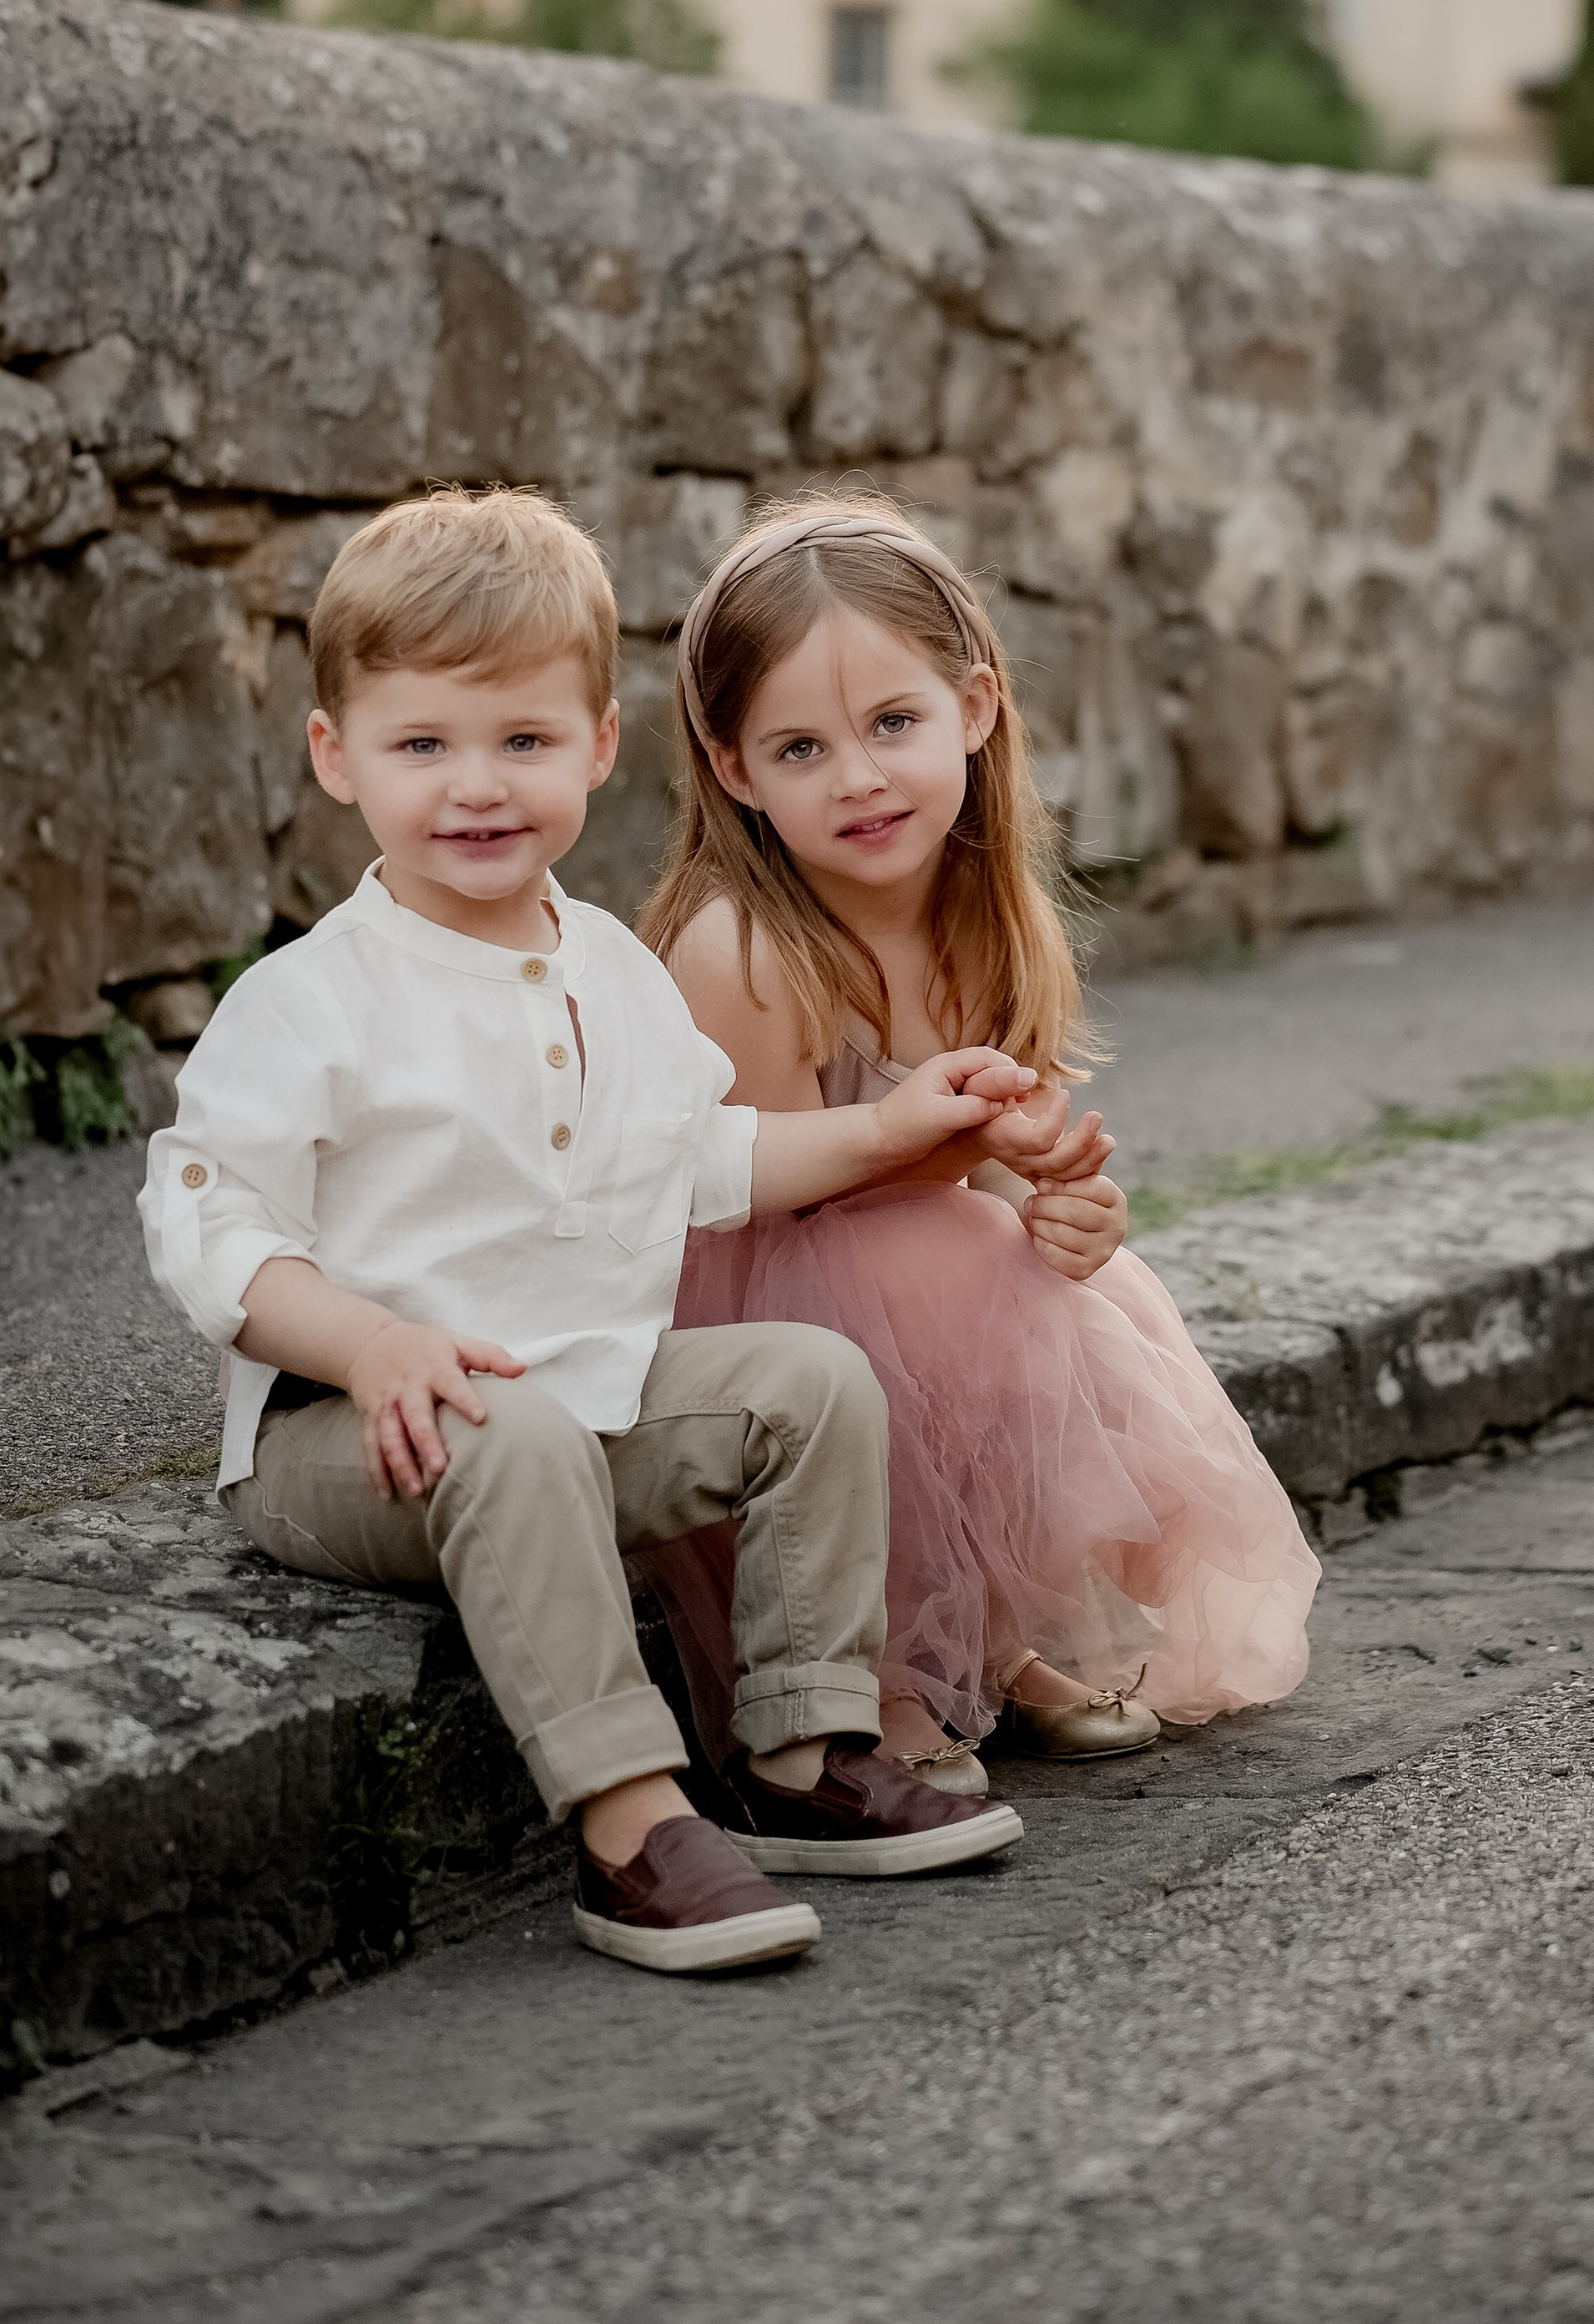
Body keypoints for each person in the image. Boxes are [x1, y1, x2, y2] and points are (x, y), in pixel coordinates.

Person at [139, 487, 1061, 1980]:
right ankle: (632, 1823)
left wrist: (893, 1132)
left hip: (580, 1408)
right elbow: (204, 1219)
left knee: (810, 1380)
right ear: (335, 757)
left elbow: (703, 1155)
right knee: (499, 1428)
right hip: (347, 1436)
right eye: (422, 745)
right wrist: (368, 1344)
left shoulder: (614, 973)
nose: (477, 787)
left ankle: (800, 1757)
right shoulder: (316, 998)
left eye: (522, 742)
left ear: (599, 748)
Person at [639, 497, 1319, 1795]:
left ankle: (994, 1643)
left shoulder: (985, 921)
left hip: (908, 1284)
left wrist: (1069, 1205)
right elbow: (736, 1208)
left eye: (894, 723)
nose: (860, 776)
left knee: (1044, 1273)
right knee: (946, 1252)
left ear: (977, 708)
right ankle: (874, 1673)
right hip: (755, 1323)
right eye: (800, 747)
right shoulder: (747, 951)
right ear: (734, 770)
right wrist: (918, 1163)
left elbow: (1007, 1158)